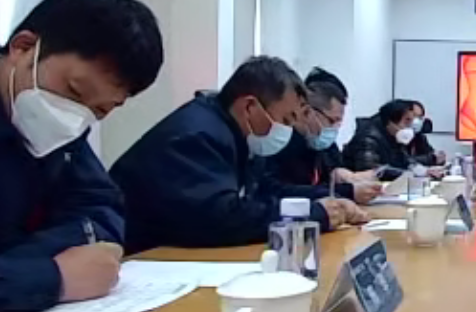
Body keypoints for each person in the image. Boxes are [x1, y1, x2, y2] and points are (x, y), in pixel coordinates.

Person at [0, 0, 163, 312]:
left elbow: (100, 212)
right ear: (23, 47)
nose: (76, 117)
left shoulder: (61, 128)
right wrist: (52, 276)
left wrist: (2, 269)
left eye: (101, 110)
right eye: (74, 91)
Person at [110, 56, 366, 251]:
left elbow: (265, 191)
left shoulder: (239, 135)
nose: (288, 131)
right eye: (285, 120)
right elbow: (220, 218)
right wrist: (311, 215)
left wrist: (331, 201)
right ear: (250, 107)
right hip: (139, 261)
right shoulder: (198, 136)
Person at [261, 67, 380, 205]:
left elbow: (323, 183)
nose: (335, 128)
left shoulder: (317, 143)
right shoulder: (279, 142)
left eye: (339, 122)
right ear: (308, 112)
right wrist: (348, 192)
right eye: (332, 121)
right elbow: (278, 191)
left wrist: (339, 176)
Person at [345, 99, 418, 172]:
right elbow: (371, 170)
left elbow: (405, 160)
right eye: (407, 120)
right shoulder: (368, 138)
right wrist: (405, 173)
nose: (410, 126)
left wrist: (417, 168)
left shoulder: (395, 137)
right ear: (390, 121)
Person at [405, 100, 447, 167]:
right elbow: (403, 160)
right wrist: (431, 159)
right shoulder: (397, 136)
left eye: (419, 117)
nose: (416, 121)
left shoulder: (419, 137)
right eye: (414, 116)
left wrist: (439, 157)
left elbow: (432, 154)